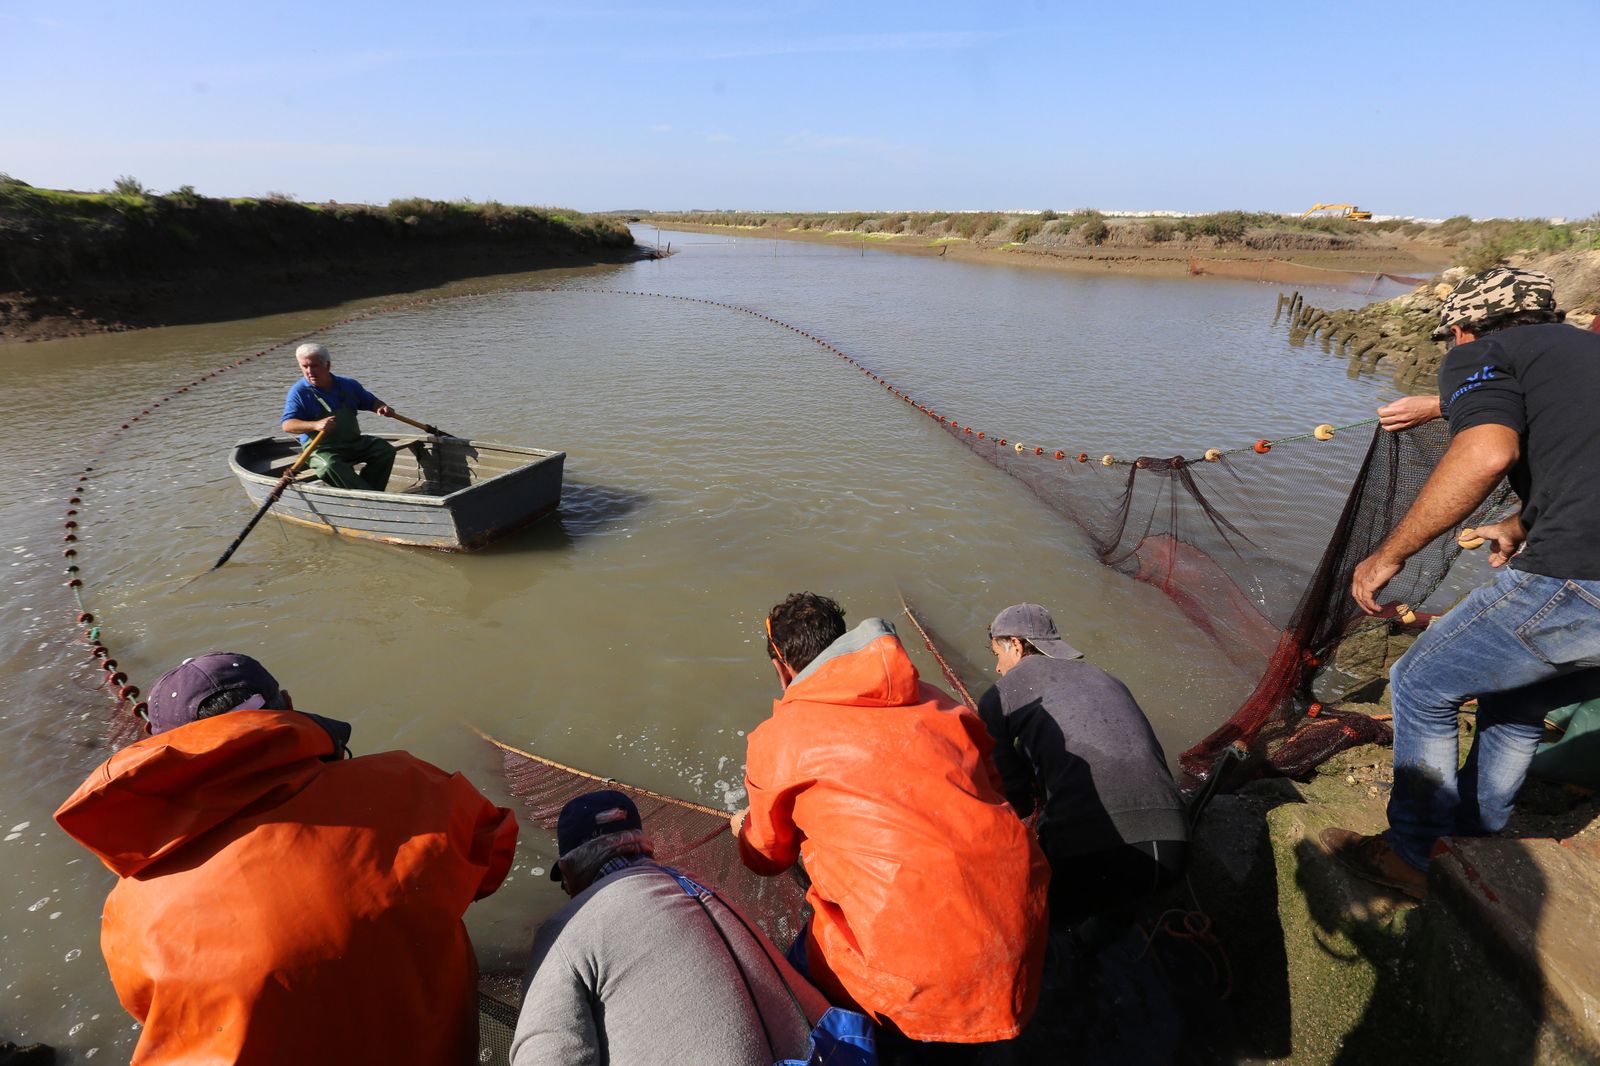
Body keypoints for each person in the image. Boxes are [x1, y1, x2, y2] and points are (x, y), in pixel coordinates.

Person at [54, 653, 518, 1064]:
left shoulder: (128, 909)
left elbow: (147, 1007)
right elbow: (492, 853)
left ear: (156, 750)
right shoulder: (408, 783)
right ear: (289, 704)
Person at [1327, 267, 1600, 898]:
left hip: (1582, 575)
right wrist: (1519, 520)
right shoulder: (1581, 352)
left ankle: (1411, 858)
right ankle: (1471, 844)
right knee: (1523, 695)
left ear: (1459, 328)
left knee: (1421, 683)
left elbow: (1485, 453)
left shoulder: (1484, 352)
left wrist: (1389, 553)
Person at [733, 592, 1049, 1053]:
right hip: (1021, 954)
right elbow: (996, 787)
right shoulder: (942, 705)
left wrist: (743, 826)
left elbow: (764, 858)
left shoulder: (776, 741)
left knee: (788, 979)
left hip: (913, 990)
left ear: (782, 668)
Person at [512, 790, 841, 1066]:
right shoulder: (700, 889)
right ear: (642, 845)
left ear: (569, 871)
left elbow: (546, 1054)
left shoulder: (566, 926)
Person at [978, 603, 1187, 929]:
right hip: (1176, 846)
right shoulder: (1106, 677)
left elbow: (1007, 790)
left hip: (1088, 851)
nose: (998, 669)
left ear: (1016, 645)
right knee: (1116, 914)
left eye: (997, 655)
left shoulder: (1000, 693)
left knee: (1040, 927)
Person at [281, 341, 398, 491]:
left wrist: (382, 407)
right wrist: (315, 425)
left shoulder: (348, 384)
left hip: (353, 442)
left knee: (385, 450)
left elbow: (373, 402)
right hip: (321, 449)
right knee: (329, 466)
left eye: (314, 366)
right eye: (305, 367)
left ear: (327, 365)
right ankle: (367, 495)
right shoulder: (299, 392)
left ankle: (371, 492)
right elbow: (287, 425)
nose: (310, 371)